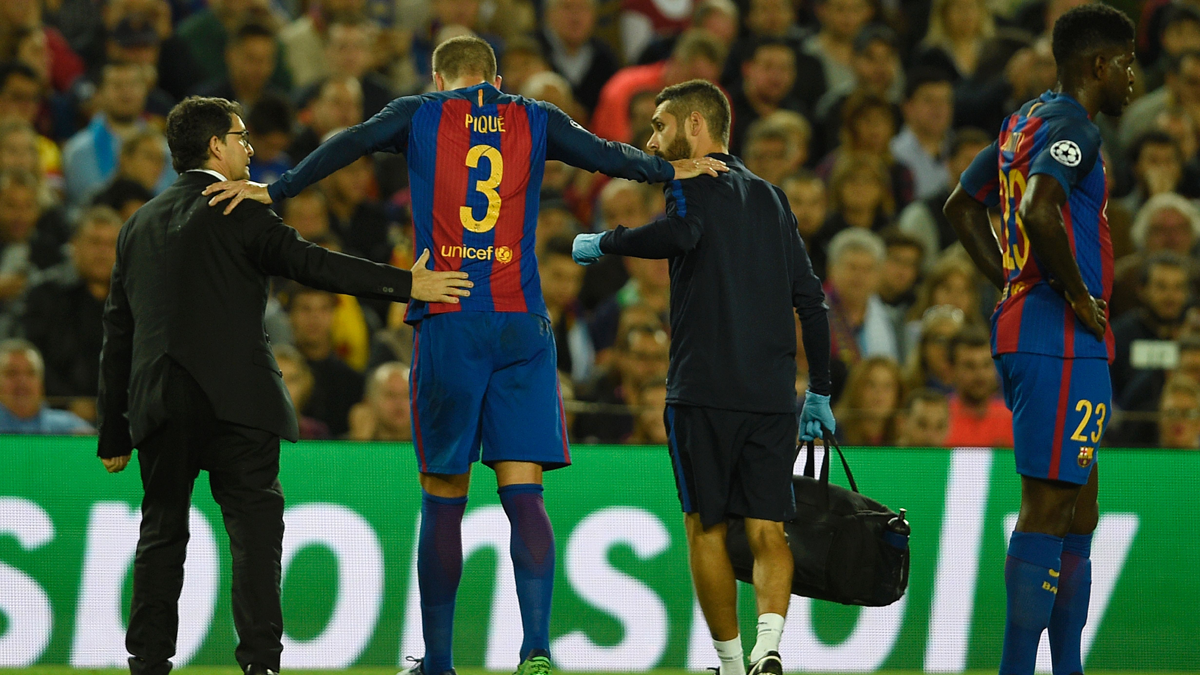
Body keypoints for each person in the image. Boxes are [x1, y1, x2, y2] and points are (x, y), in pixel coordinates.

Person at [204, 35, 726, 675]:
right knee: (524, 495)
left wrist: (276, 188)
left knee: (444, 490)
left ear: (437, 76)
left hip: (450, 316)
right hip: (521, 324)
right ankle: (536, 649)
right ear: (496, 78)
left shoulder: (419, 114)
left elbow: (350, 141)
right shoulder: (534, 117)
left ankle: (440, 663)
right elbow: (605, 156)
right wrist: (670, 168)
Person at [95, 96, 471, 675]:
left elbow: (118, 334)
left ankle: (147, 663)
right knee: (253, 536)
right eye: (240, 138)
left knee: (161, 534)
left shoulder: (136, 225)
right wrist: (407, 283)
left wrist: (114, 431)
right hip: (238, 402)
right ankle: (261, 665)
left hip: (159, 403)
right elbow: (312, 264)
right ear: (215, 146)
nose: (250, 148)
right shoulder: (237, 208)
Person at [572, 79, 833, 675]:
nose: (650, 139)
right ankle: (770, 646)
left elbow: (682, 233)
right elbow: (811, 301)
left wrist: (606, 242)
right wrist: (818, 388)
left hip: (702, 392)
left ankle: (730, 661)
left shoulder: (687, 182)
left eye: (659, 125)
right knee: (769, 527)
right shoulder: (772, 198)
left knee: (705, 526)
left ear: (696, 126)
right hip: (771, 397)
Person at [942, 6, 1136, 675]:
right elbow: (1037, 208)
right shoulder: (1072, 126)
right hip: (1058, 334)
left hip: (1046, 331)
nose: (1135, 80)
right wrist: (1076, 295)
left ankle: (1068, 667)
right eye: (1129, 64)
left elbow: (964, 205)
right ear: (1099, 65)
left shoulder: (1024, 119)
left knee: (1081, 501)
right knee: (1049, 505)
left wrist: (1011, 280)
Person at [0, 338, 93, 433]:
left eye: (31, 373)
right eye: (11, 373)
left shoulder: (70, 429)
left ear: (41, 381)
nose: (22, 381)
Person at [943, 326, 1014, 447]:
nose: (980, 375)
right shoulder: (937, 419)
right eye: (969, 366)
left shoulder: (1012, 418)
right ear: (951, 370)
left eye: (986, 365)